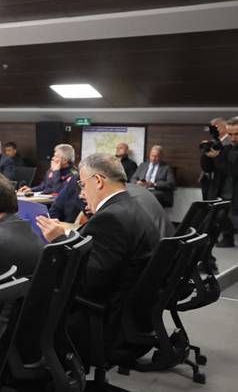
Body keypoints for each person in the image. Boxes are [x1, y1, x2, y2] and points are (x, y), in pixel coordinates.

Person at [37, 153, 161, 357]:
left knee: (27, 304)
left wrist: (60, 242)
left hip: (106, 322)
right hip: (135, 316)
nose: (81, 194)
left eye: (83, 186)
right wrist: (67, 236)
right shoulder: (132, 207)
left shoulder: (111, 219)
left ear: (98, 181)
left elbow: (87, 282)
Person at [201, 117, 235, 246]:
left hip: (229, 186)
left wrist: (218, 157)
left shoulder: (228, 144)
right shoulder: (218, 143)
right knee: (215, 213)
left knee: (222, 215)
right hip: (217, 184)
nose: (233, 138)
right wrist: (206, 154)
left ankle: (226, 237)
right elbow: (207, 166)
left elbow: (230, 167)